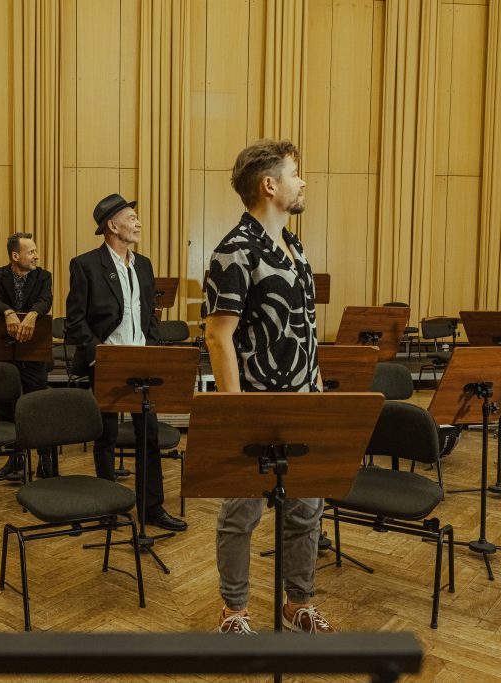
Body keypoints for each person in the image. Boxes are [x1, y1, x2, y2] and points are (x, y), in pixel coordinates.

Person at [204, 140, 333, 634]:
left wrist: (317, 389)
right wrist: (235, 413)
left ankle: (297, 603)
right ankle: (234, 611)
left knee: (306, 510)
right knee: (241, 514)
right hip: (256, 405)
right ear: (269, 185)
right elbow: (218, 336)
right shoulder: (234, 250)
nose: (303, 182)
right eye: (295, 173)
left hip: (304, 401)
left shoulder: (295, 247)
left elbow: (306, 328)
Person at [65, 193, 187, 533]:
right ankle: (108, 508)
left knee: (149, 434)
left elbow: (149, 314)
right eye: (131, 218)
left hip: (141, 361)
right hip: (107, 361)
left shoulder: (143, 265)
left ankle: (152, 509)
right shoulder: (85, 265)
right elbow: (75, 321)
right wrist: (98, 356)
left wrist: (152, 347)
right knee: (105, 436)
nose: (138, 223)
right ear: (112, 225)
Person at [0, 232, 57, 479]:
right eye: (31, 252)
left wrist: (33, 315)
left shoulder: (44, 276)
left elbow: (45, 300)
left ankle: (44, 459)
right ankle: (14, 458)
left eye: (36, 251)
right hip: (4, 353)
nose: (37, 256)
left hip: (34, 353)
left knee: (38, 406)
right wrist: (8, 313)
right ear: (15, 256)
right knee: (6, 407)